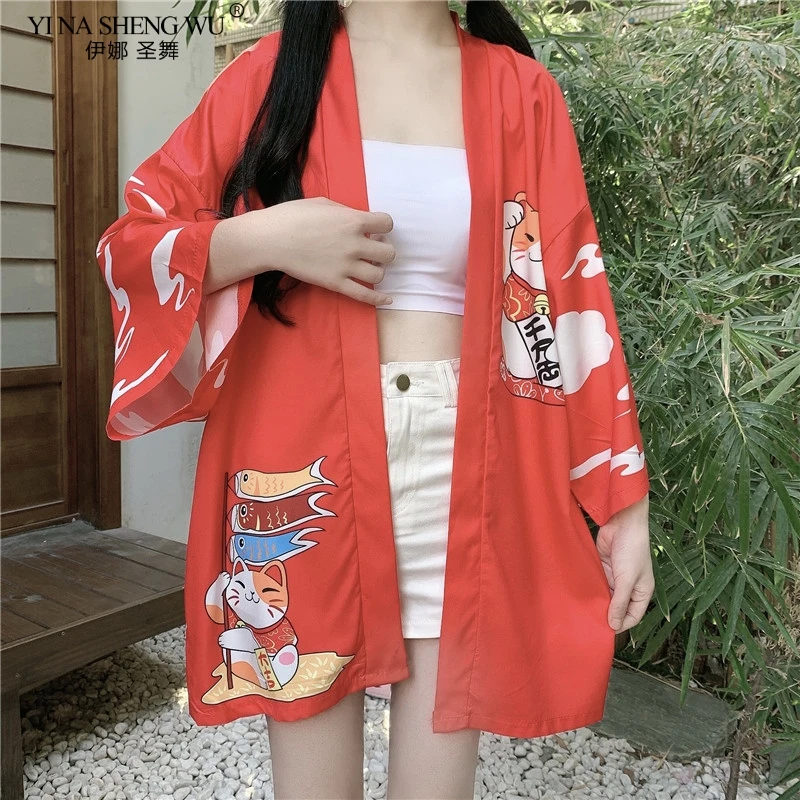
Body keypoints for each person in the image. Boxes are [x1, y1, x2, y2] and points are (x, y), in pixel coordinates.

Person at [97, 1, 654, 798]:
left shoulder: (521, 91)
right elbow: (131, 246)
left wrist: (623, 503)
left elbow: (572, 295)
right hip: (301, 470)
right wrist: (267, 239)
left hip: (468, 469)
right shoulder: (269, 79)